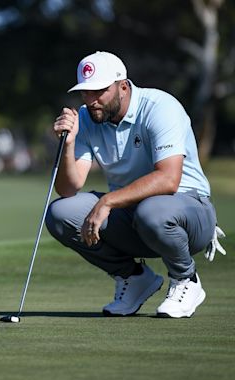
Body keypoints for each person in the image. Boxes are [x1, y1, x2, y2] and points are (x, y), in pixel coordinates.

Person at [45, 51, 226, 318]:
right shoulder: (86, 118)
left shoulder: (160, 107)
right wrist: (68, 143)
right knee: (59, 213)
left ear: (123, 87)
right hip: (134, 217)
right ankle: (134, 278)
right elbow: (68, 189)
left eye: (99, 91)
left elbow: (168, 179)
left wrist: (107, 201)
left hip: (189, 214)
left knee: (151, 211)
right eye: (85, 92)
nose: (91, 100)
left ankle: (186, 279)